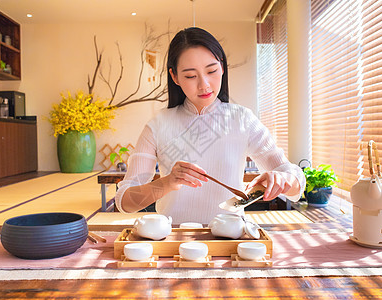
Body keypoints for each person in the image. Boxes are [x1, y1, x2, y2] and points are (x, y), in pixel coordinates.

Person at [115, 27, 305, 224]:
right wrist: (168, 182)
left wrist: (284, 180)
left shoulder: (242, 119)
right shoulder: (159, 125)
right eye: (190, 76)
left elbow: (296, 184)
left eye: (212, 71)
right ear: (174, 77)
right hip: (172, 240)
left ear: (222, 67)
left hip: (232, 239)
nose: (204, 84)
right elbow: (125, 202)